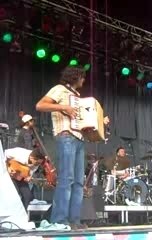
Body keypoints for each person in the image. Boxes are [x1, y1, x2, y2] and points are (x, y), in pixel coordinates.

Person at [36, 65, 110, 230]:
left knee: (78, 182)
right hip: (66, 136)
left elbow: (84, 122)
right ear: (75, 77)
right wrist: (64, 107)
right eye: (82, 77)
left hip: (79, 138)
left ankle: (74, 220)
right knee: (66, 179)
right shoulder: (59, 90)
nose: (83, 80)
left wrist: (99, 123)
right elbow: (40, 105)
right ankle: (59, 220)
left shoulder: (77, 97)